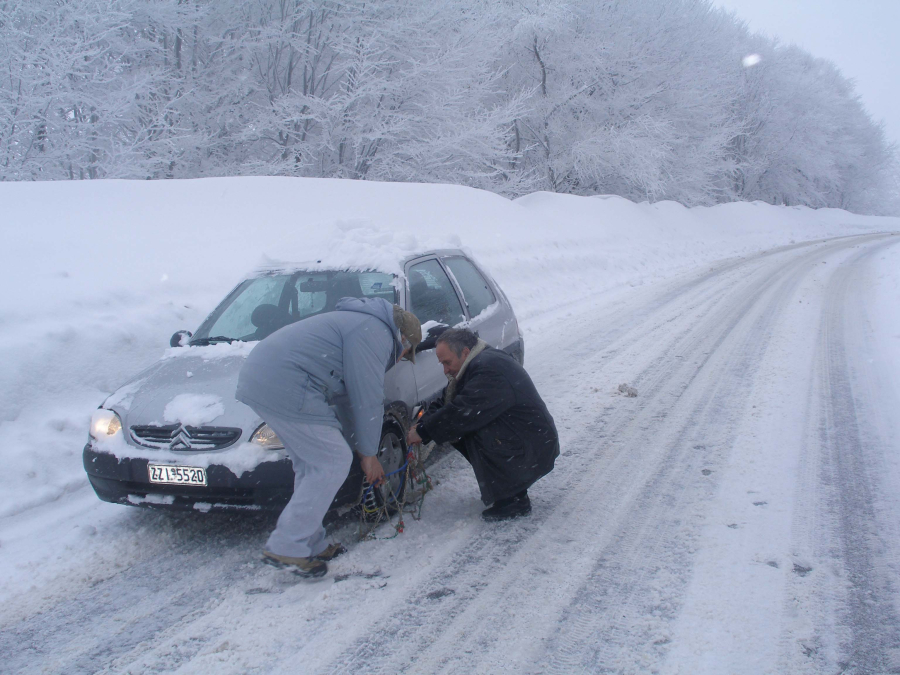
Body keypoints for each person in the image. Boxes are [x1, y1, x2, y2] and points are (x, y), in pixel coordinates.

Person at [236, 297, 421, 577]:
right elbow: (367, 397)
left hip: (264, 376)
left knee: (312, 465)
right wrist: (369, 456)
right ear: (403, 339)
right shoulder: (375, 332)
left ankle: (309, 543)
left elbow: (348, 400)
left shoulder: (360, 323)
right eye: (407, 352)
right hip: (286, 381)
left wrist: (363, 450)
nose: (401, 358)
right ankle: (288, 545)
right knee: (333, 461)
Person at [408, 328, 558, 521]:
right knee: (461, 426)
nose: (445, 370)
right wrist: (423, 423)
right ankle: (511, 489)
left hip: (532, 445)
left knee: (470, 426)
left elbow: (462, 411)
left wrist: (424, 431)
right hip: (525, 439)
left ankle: (513, 499)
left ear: (464, 352)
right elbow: (447, 400)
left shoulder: (489, 369)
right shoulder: (477, 362)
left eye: (447, 362)